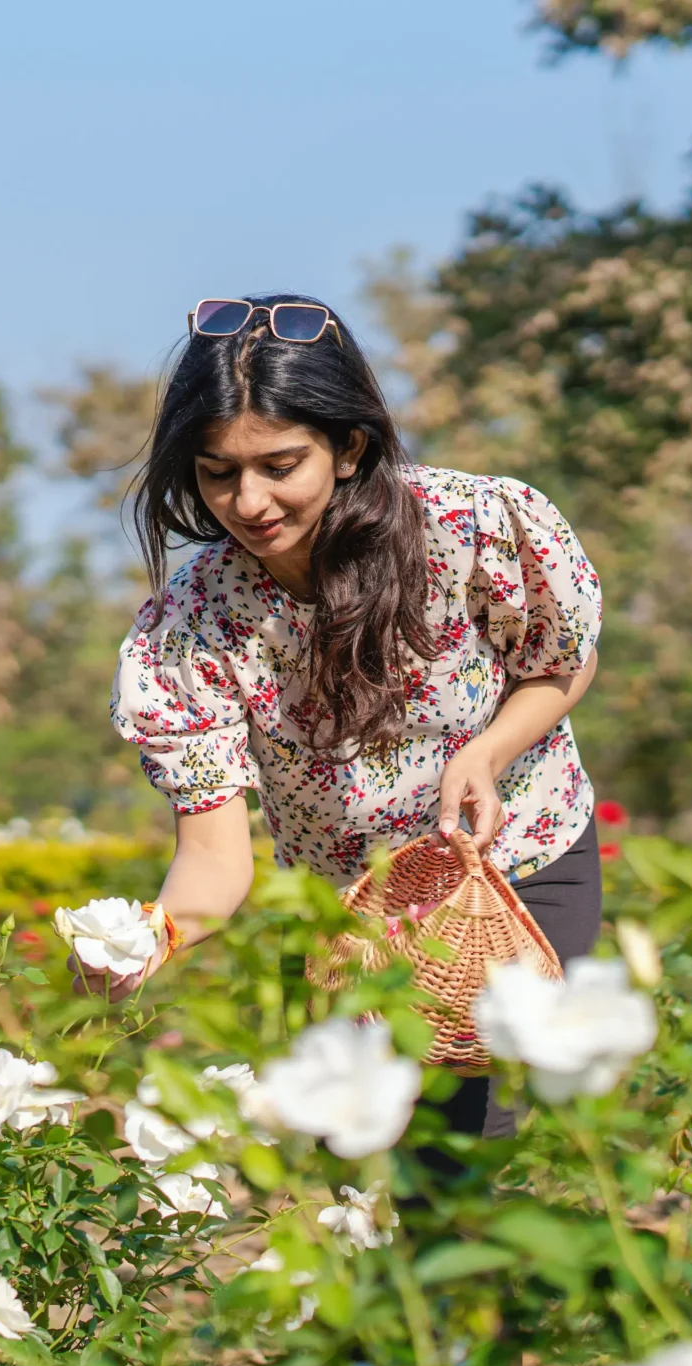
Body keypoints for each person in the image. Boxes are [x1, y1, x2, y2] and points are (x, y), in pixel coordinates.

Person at [88, 293, 604, 1137]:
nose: (248, 501)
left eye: (279, 465)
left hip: (511, 871)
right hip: (346, 914)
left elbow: (561, 664)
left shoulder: (467, 530)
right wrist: (149, 939)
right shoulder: (195, 623)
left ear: (349, 446)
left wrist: (487, 752)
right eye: (218, 471)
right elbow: (216, 861)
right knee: (351, 1162)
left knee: (467, 1155)